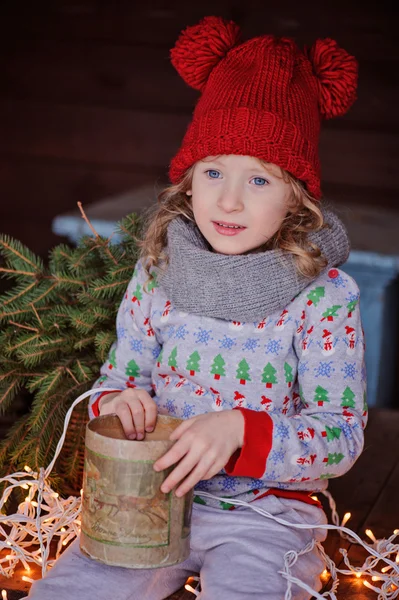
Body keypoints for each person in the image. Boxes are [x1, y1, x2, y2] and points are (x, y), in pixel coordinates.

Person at [28, 16, 366, 600]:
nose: (229, 199)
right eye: (213, 172)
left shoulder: (323, 295)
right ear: (188, 182)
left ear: (296, 196)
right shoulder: (160, 271)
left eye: (259, 180)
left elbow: (340, 435)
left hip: (264, 516)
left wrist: (240, 427)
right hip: (147, 501)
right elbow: (119, 378)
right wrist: (121, 403)